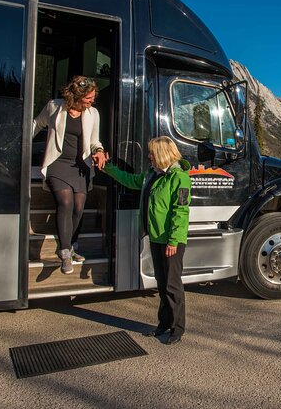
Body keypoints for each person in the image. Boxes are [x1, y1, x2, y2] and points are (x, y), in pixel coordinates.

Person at [102, 136, 191, 345]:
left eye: (151, 152)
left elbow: (181, 212)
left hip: (171, 241)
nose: (148, 156)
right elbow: (130, 180)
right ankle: (163, 323)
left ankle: (178, 328)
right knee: (162, 283)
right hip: (156, 237)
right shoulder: (151, 174)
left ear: (161, 154)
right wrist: (108, 168)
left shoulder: (180, 178)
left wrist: (173, 241)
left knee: (172, 285)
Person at [33, 75, 106, 274]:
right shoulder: (54, 107)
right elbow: (35, 125)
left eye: (93, 97)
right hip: (57, 163)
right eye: (88, 97)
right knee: (65, 202)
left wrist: (98, 151)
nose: (92, 101)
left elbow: (94, 141)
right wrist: (18, 145)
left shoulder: (93, 113)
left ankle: (72, 243)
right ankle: (64, 252)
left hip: (80, 165)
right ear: (76, 95)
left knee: (79, 207)